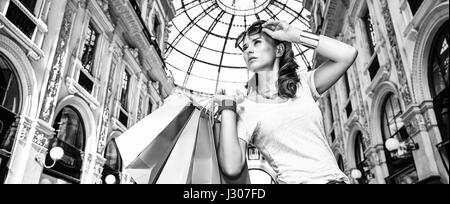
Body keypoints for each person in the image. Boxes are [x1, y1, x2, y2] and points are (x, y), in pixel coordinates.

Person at [214, 20, 358, 184]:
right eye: (245, 47)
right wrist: (227, 108)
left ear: (279, 50)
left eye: (257, 42)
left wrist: (294, 35)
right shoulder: (245, 108)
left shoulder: (303, 85)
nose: (249, 51)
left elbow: (348, 55)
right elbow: (231, 168)